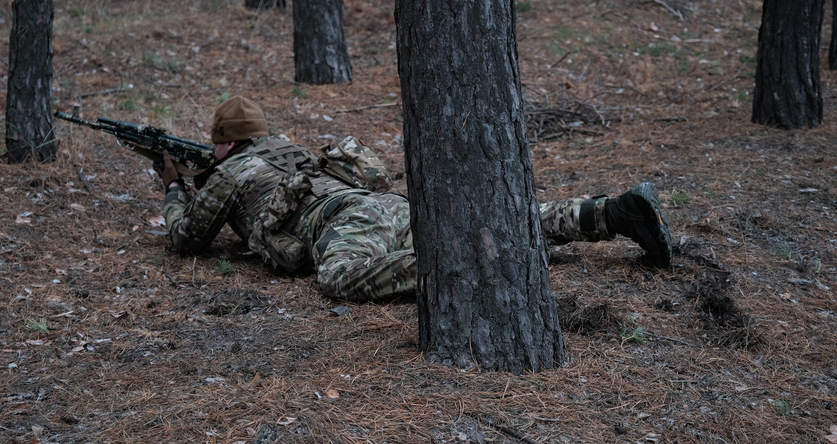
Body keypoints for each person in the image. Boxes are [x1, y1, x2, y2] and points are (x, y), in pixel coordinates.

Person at [157, 95, 672, 301]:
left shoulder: (233, 170)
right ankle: (609, 212)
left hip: (344, 222)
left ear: (224, 142)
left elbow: (187, 238)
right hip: (386, 205)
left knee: (337, 279)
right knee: (489, 219)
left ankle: (478, 258)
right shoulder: (285, 150)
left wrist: (175, 187)